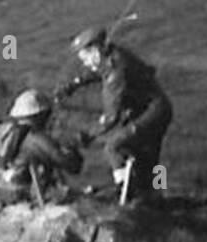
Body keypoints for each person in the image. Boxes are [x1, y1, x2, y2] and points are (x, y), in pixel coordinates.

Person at [57, 27, 173, 203]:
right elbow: (97, 71)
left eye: (86, 58)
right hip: (150, 108)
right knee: (146, 157)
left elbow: (111, 117)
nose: (85, 63)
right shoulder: (112, 54)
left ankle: (125, 191)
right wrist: (75, 83)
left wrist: (87, 136)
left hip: (154, 113)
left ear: (95, 50)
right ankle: (154, 193)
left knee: (114, 146)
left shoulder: (115, 74)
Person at [0, 90, 83, 205]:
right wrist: (74, 148)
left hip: (3, 187)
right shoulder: (36, 139)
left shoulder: (10, 133)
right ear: (41, 115)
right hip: (22, 193)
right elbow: (70, 164)